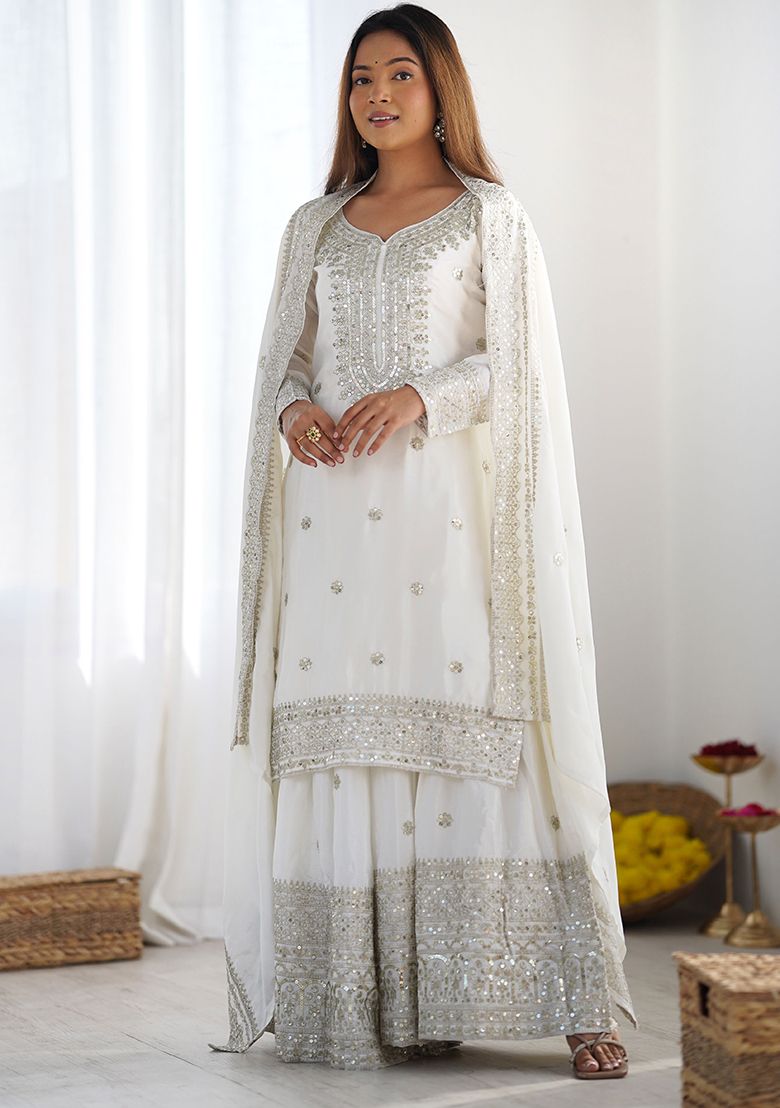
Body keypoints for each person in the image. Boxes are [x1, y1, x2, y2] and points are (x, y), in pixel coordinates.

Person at [209, 2, 636, 1078]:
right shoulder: (314, 226)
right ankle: (381, 1003)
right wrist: (291, 411)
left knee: (473, 728)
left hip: (448, 518)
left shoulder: (492, 216)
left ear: (442, 88)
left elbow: (522, 365)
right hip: (331, 530)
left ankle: (574, 999)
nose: (378, 94)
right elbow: (284, 361)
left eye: (400, 73)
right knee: (346, 738)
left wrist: (419, 396)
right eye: (362, 78)